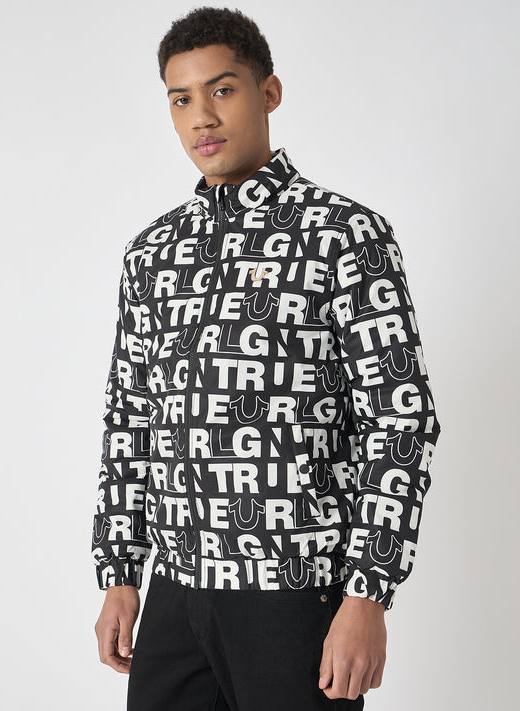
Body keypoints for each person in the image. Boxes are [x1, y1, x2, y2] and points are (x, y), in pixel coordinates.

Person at [91, 6, 441, 710]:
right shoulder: (152, 253)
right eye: (180, 99)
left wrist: (367, 594)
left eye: (221, 90)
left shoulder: (343, 235)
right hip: (176, 593)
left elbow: (400, 418)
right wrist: (120, 571)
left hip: (293, 593)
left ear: (268, 92)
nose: (201, 117)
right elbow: (130, 417)